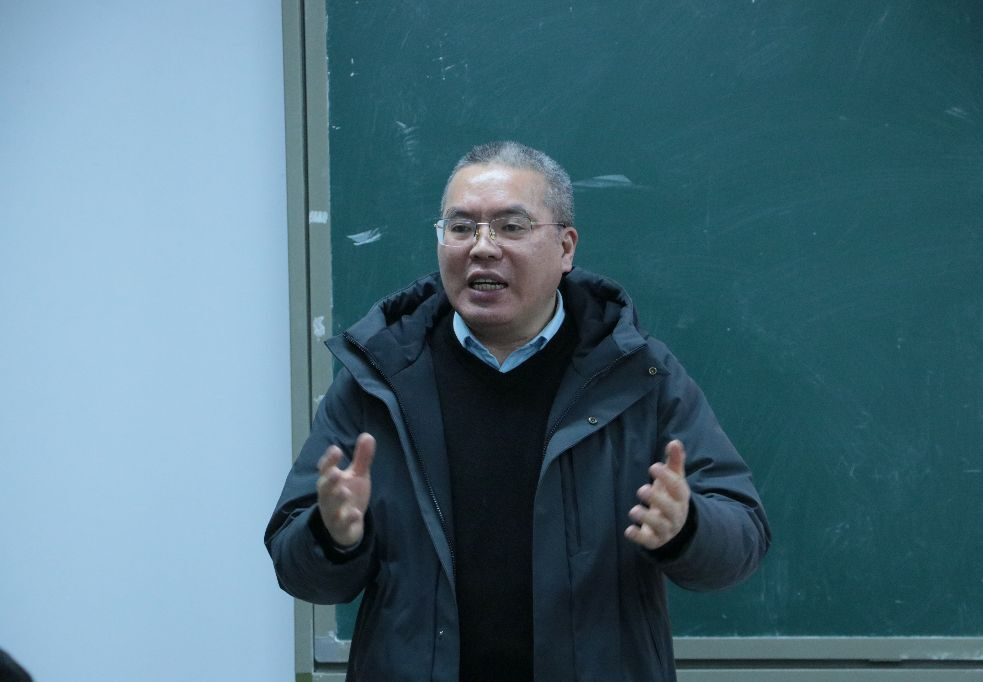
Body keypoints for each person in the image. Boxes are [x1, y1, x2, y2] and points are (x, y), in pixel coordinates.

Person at [265, 141, 770, 681]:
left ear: (565, 247)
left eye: (510, 227)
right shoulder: (380, 376)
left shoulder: (637, 374)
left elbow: (743, 535)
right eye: (461, 228)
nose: (482, 248)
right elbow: (298, 570)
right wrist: (332, 536)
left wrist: (687, 527)